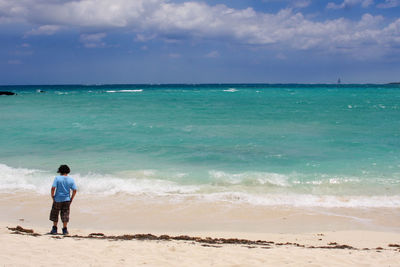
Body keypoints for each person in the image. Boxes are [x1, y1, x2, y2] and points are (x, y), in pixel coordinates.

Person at [49, 164, 77, 235]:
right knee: (65, 214)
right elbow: (75, 190)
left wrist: (52, 196)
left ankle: (54, 229)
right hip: (67, 199)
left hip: (57, 199)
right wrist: (71, 198)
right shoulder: (71, 179)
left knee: (55, 213)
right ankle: (64, 229)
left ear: (60, 171)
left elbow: (53, 188)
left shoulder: (57, 178)